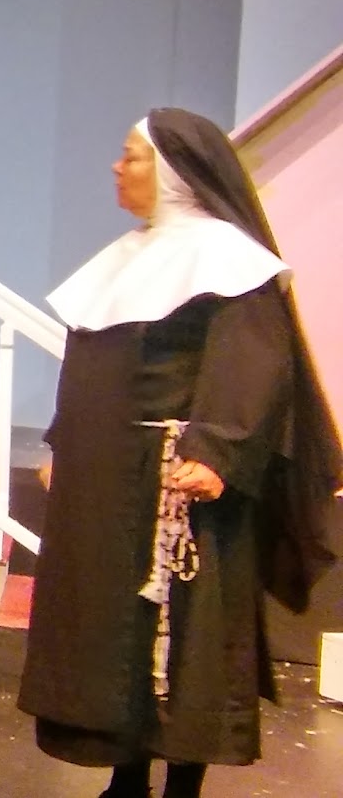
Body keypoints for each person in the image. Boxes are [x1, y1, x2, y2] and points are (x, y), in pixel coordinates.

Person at [19, 108, 342, 798]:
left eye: (132, 155)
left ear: (174, 172)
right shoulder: (128, 255)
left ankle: (182, 786)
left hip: (177, 478)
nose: (117, 167)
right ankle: (126, 776)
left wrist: (217, 449)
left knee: (184, 633)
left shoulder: (228, 259)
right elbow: (92, 370)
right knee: (116, 630)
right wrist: (63, 440)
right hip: (108, 479)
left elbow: (252, 364)